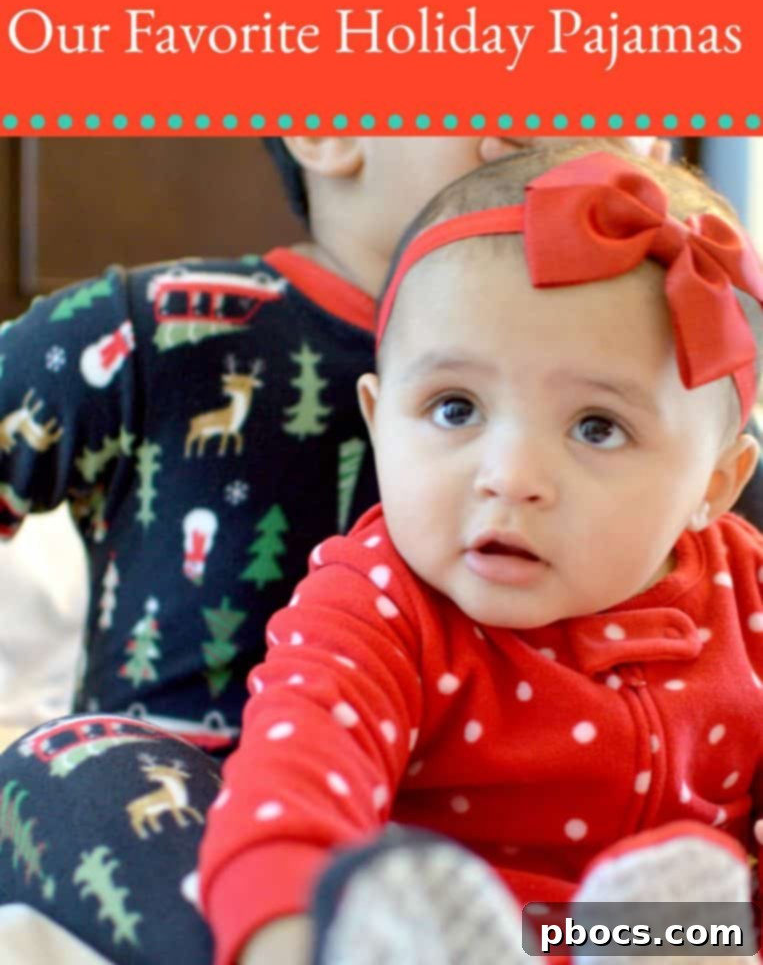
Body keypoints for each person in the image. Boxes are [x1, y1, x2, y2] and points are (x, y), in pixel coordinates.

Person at [0, 136, 668, 965]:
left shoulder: (664, 388)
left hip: (501, 867)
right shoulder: (156, 327)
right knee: (62, 767)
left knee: (693, 899)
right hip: (196, 803)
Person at [198, 144, 763, 965]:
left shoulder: (743, 590)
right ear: (377, 415)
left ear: (713, 484)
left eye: (596, 428)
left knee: (704, 896)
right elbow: (294, 781)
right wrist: (292, 936)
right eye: (454, 408)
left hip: (670, 932)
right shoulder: (379, 602)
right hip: (446, 935)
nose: (510, 479)